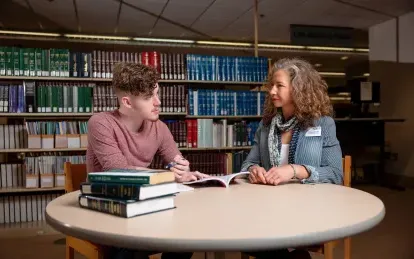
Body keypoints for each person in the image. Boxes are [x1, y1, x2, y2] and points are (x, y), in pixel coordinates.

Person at [87, 62, 207, 259]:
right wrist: (167, 175)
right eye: (149, 97)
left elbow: (175, 161)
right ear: (127, 102)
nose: (158, 102)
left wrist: (182, 170)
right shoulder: (100, 123)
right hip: (110, 208)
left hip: (145, 204)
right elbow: (119, 171)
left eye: (157, 94)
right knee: (131, 247)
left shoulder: (158, 127)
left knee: (187, 235)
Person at [240, 57, 343, 259]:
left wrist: (295, 170)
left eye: (279, 86)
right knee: (248, 233)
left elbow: (334, 174)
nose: (272, 92)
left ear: (298, 89)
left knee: (260, 241)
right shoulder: (266, 125)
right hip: (269, 208)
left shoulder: (323, 124)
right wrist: (254, 170)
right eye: (272, 86)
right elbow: (248, 163)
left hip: (307, 209)